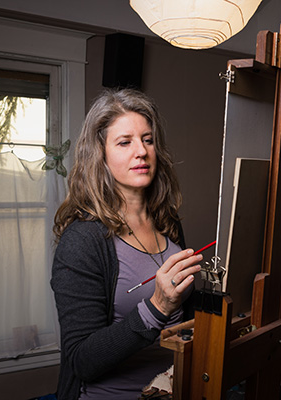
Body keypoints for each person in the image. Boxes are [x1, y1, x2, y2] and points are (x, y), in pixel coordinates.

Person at [51, 88, 202, 400]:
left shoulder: (168, 222)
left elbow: (184, 314)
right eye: (125, 142)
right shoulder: (82, 241)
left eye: (148, 140)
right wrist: (157, 307)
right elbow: (82, 361)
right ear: (100, 155)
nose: (141, 151)